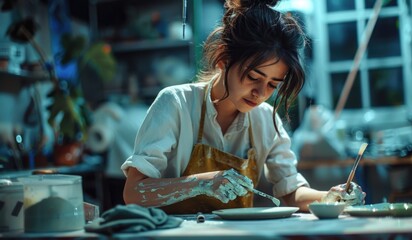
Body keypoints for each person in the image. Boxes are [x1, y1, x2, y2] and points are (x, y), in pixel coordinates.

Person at [121, 0, 366, 214]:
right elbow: (133, 192)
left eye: (272, 84)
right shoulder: (176, 104)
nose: (260, 94)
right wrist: (202, 182)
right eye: (253, 77)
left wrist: (332, 197)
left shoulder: (265, 120)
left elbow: (290, 192)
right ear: (223, 59)